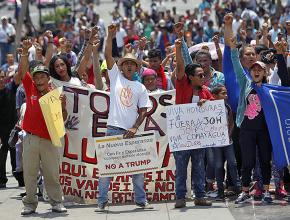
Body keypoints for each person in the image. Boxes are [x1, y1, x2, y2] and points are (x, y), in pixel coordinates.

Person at [96, 24, 152, 211]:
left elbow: (144, 110)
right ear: (122, 67)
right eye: (126, 63)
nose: (129, 66)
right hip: (113, 128)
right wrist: (110, 35)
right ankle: (102, 201)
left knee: (136, 169)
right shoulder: (115, 78)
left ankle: (140, 199)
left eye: (132, 64)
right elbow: (108, 55)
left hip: (131, 132)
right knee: (107, 168)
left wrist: (135, 127)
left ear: (136, 68)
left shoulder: (141, 87)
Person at [226, 13, 273, 204]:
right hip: (246, 129)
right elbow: (235, 61)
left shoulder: (270, 88)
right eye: (253, 68)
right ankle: (245, 191)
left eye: (259, 68)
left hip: (264, 131)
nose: (255, 71)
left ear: (264, 71)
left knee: (264, 162)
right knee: (247, 163)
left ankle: (267, 191)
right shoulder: (244, 82)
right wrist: (231, 35)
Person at [18, 39, 68, 215]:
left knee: (52, 173)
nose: (38, 80)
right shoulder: (30, 88)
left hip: (48, 139)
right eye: (36, 77)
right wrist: (24, 53)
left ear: (48, 78)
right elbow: (23, 71)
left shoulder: (55, 94)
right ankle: (30, 204)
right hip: (30, 137)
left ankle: (56, 202)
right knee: (30, 174)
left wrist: (62, 106)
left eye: (42, 77)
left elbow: (63, 120)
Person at [174, 37, 213, 208]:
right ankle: (180, 198)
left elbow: (215, 108)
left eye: (204, 74)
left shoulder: (205, 91)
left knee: (199, 167)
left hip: (198, 137)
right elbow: (180, 67)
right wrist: (178, 48)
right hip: (182, 136)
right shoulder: (182, 85)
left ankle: (200, 196)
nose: (203, 77)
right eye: (199, 75)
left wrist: (207, 104)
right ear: (189, 77)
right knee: (181, 168)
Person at [211, 84, 240, 200]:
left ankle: (238, 188)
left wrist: (228, 134)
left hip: (228, 141)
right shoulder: (209, 108)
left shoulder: (227, 107)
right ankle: (220, 190)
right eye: (223, 93)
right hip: (216, 143)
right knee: (218, 166)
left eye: (226, 93)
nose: (226, 96)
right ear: (215, 96)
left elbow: (232, 122)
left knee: (232, 164)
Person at [0, 66, 21, 188]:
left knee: (16, 157)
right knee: (1, 157)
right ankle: (1, 180)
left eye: (3, 77)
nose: (1, 79)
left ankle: (20, 179)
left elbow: (20, 75)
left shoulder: (11, 88)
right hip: (1, 131)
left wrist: (23, 53)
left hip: (14, 130)